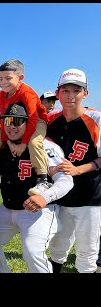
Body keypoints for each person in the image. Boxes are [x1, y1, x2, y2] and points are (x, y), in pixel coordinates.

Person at [0, 102, 74, 273]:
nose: (12, 126)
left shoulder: (43, 145)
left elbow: (66, 180)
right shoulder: (1, 145)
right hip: (7, 208)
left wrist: (45, 197)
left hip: (37, 211)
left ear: (29, 123)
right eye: (8, 121)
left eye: (18, 121)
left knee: (32, 252)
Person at [45, 68, 101, 274]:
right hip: (59, 196)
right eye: (65, 90)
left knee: (87, 249)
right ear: (57, 93)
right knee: (58, 243)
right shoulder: (50, 119)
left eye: (76, 91)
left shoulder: (96, 119)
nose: (70, 96)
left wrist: (79, 170)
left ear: (85, 93)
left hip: (89, 196)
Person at [0, 59, 49, 195]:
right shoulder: (1, 94)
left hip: (37, 121)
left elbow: (32, 118)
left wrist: (23, 143)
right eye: (0, 78)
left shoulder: (27, 93)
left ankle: (43, 180)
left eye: (8, 78)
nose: (3, 82)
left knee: (34, 142)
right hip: (12, 121)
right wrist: (8, 141)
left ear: (20, 78)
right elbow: (3, 117)